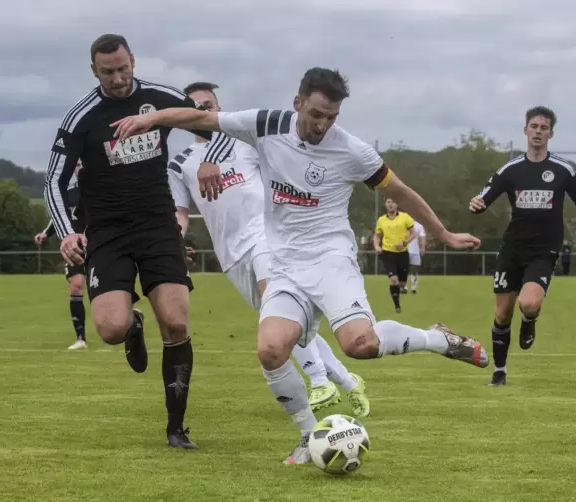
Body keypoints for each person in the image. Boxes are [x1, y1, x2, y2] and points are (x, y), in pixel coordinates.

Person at [112, 67, 489, 464]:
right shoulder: (267, 124)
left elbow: (402, 192)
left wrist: (443, 234)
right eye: (315, 115)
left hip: (331, 260)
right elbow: (201, 118)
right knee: (271, 350)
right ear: (297, 104)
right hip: (285, 265)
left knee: (360, 345)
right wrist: (149, 118)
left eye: (331, 117)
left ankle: (438, 339)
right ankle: (311, 437)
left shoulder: (352, 150)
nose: (322, 125)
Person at [43, 34, 234, 450]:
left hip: (157, 226)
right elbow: (53, 181)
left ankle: (176, 428)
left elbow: (216, 124)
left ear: (133, 61)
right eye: (108, 71)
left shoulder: (161, 97)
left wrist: (211, 158)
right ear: (94, 71)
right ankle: (133, 325)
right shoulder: (81, 117)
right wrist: (66, 231)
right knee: (111, 328)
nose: (117, 78)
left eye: (123, 68)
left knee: (178, 322)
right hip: (108, 232)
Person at [168, 81, 369, 417]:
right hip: (231, 255)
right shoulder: (179, 164)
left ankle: (320, 382)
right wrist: (174, 240)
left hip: (266, 238)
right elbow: (179, 213)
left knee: (276, 313)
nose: (205, 111)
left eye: (210, 105)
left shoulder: (244, 142)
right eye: (197, 106)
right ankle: (348, 381)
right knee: (287, 325)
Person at [469, 106, 575, 386]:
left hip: (544, 251)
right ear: (525, 130)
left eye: (544, 127)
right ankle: (500, 371)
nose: (538, 131)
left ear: (551, 133)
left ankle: (530, 319)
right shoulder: (511, 170)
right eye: (534, 126)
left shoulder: (563, 170)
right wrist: (477, 204)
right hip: (513, 250)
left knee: (528, 303)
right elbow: (483, 198)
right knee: (502, 313)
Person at [36, 159, 88, 350]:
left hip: (98, 243)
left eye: (83, 163)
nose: (80, 167)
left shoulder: (100, 188)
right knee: (76, 286)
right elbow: (58, 216)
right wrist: (45, 233)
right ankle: (81, 338)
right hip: (74, 246)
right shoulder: (67, 193)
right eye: (77, 164)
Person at [374, 198, 416, 312]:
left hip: (402, 253)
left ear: (397, 204)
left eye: (393, 202)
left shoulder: (405, 217)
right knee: (393, 280)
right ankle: (397, 306)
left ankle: (400, 288)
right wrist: (377, 246)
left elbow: (414, 233)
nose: (391, 204)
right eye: (388, 202)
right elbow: (377, 235)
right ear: (385, 204)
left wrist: (404, 242)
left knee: (402, 283)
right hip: (387, 253)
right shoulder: (381, 220)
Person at [407, 220, 426, 293]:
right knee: (404, 268)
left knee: (414, 269)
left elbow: (422, 236)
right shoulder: (403, 223)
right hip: (404, 250)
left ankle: (413, 287)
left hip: (415, 251)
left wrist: (422, 247)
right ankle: (404, 287)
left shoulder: (419, 225)